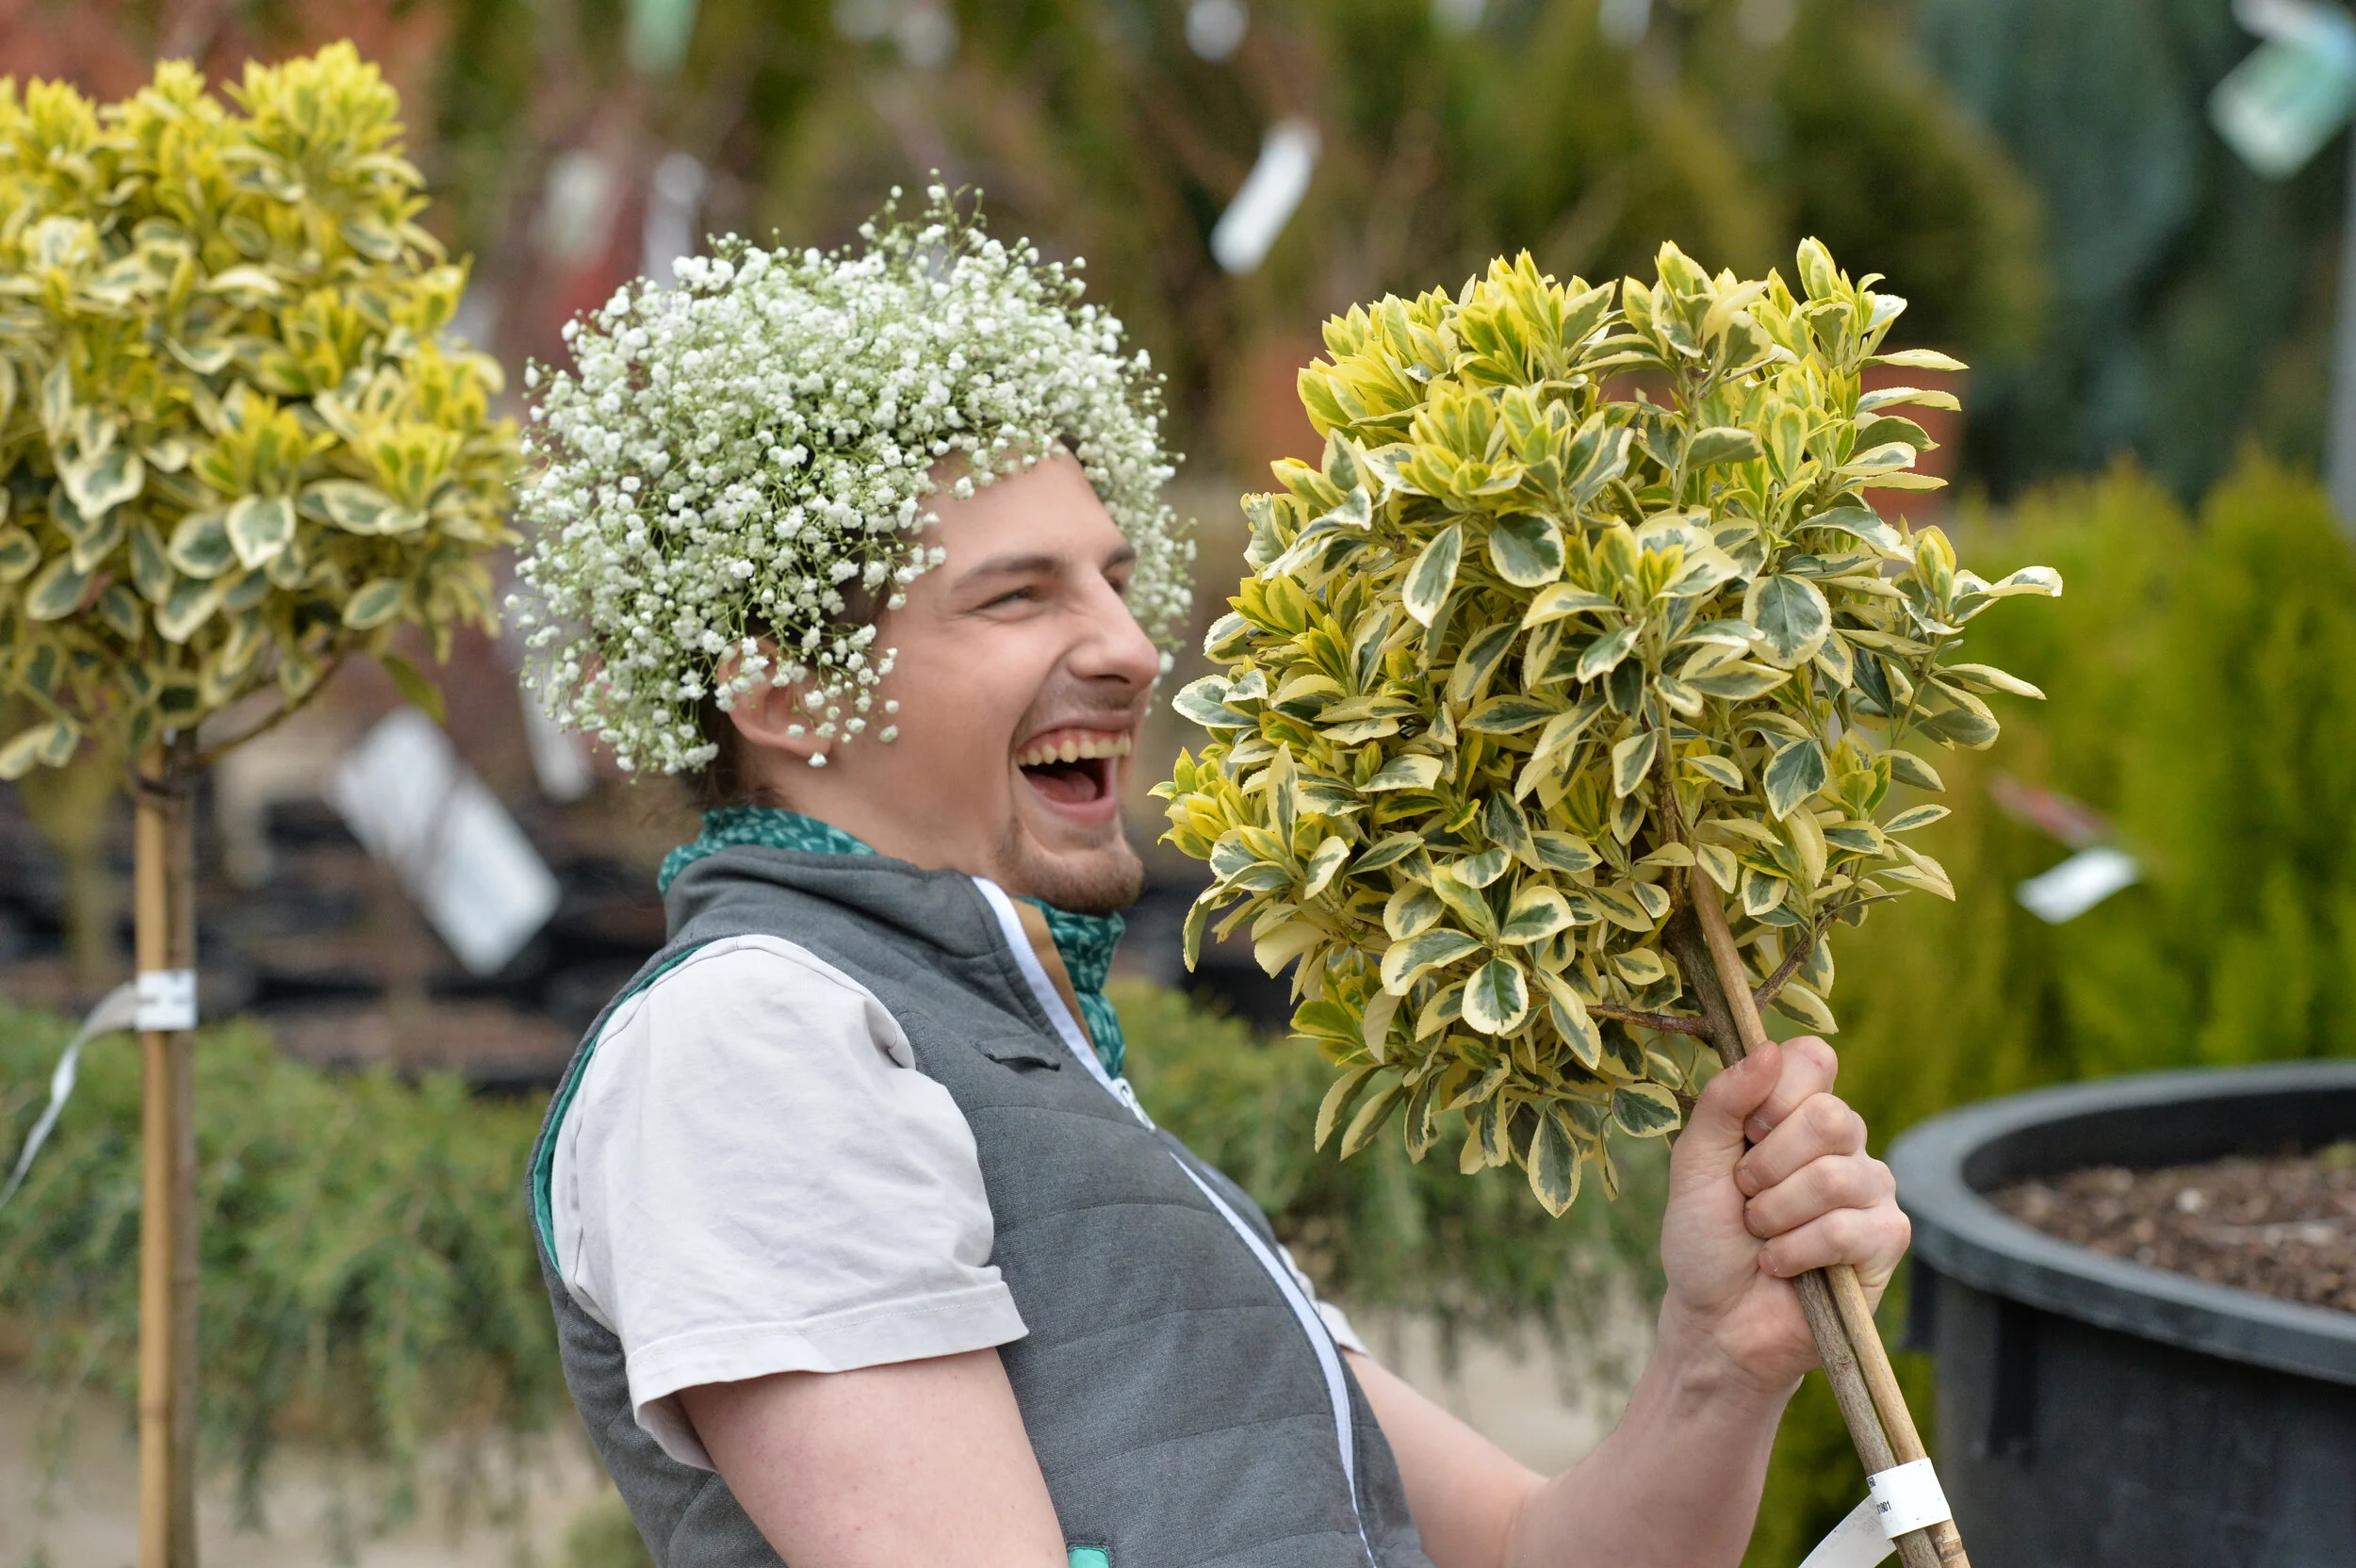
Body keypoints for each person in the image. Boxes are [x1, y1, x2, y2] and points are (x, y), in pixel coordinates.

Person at [515, 190, 1910, 1568]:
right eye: (1019, 595)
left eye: (1116, 582)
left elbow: (1529, 1553)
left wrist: (1719, 1357)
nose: (1130, 646)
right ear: (787, 693)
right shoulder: (754, 1043)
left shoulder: (1035, 1069)